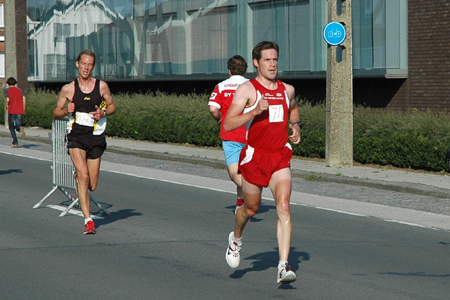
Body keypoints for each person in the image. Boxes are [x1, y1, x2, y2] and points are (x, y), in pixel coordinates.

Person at [223, 41, 301, 284]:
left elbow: (294, 109)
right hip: (255, 157)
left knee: (284, 206)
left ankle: (282, 265)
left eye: (275, 59)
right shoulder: (247, 89)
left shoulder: (287, 89)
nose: (272, 64)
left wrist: (295, 126)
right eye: (267, 60)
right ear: (256, 62)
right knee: (250, 209)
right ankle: (235, 239)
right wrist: (254, 111)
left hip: (279, 155)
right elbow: (228, 124)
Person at [53, 50, 116, 235]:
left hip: (95, 136)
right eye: (84, 64)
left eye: (90, 64)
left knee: (92, 184)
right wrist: (66, 110)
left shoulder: (102, 86)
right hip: (76, 135)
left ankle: (80, 178)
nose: (86, 67)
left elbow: (112, 106)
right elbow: (56, 112)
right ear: (77, 64)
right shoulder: (68, 89)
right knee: (84, 176)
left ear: (93, 66)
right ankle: (88, 221)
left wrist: (103, 113)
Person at [208, 55, 249, 214]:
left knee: (234, 173)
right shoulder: (253, 86)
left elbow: (213, 109)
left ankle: (252, 194)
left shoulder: (222, 86)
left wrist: (219, 119)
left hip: (231, 134)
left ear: (229, 70)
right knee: (244, 171)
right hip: (251, 134)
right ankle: (241, 203)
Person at [4, 77, 26, 148]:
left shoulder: (7, 90)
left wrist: (6, 106)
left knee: (11, 126)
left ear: (8, 83)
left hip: (12, 110)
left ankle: (15, 142)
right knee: (18, 122)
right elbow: (24, 98)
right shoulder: (19, 90)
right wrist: (23, 107)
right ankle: (19, 127)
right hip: (19, 109)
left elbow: (8, 99)